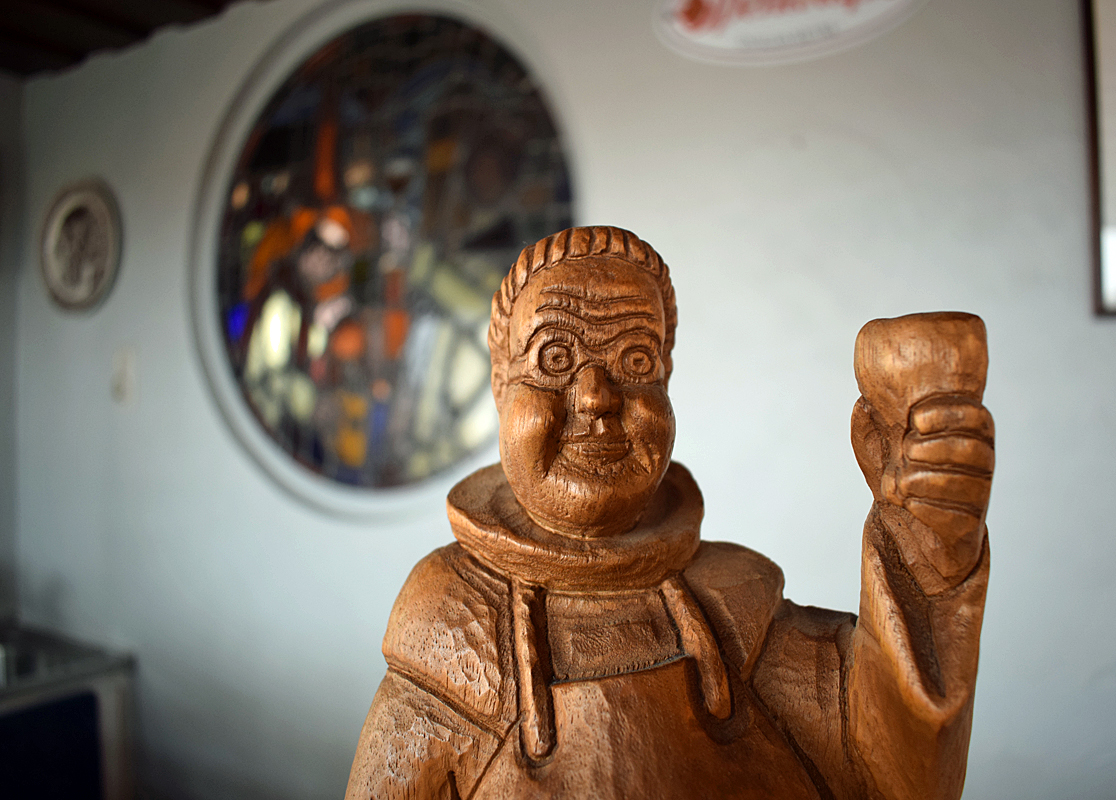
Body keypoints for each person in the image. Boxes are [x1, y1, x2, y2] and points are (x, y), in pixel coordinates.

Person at [345, 226, 993, 800]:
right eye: (555, 359)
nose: (596, 397)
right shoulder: (452, 624)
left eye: (635, 361)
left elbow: (892, 773)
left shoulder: (738, 605)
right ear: (499, 385)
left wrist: (923, 537)